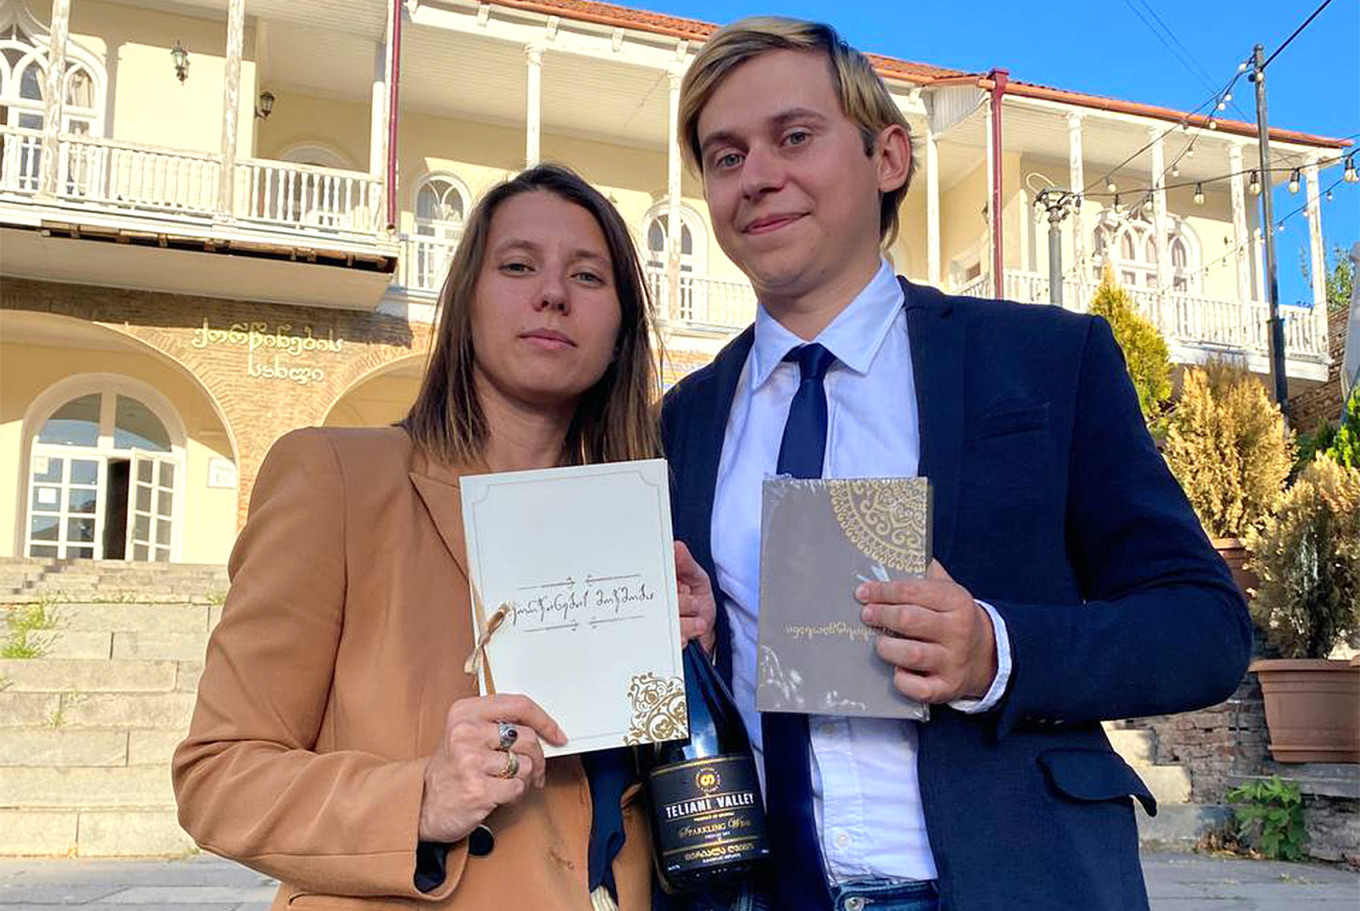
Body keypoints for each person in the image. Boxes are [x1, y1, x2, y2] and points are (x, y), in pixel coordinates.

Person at [660, 18, 1252, 911]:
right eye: (725, 155)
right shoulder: (685, 419)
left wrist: (996, 651)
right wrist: (696, 640)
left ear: (888, 155)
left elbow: (1203, 628)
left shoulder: (1048, 363)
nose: (758, 177)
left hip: (1010, 882)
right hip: (766, 892)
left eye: (794, 137)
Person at [173, 164, 716, 911]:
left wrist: (695, 668)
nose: (552, 293)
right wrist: (417, 799)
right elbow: (217, 777)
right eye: (518, 265)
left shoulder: (628, 522)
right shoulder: (337, 478)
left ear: (621, 330)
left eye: (588, 276)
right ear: (465, 301)